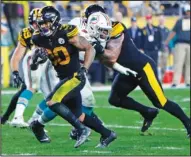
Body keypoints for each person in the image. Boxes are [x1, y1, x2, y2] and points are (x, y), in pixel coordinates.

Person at [89, 12, 190, 138]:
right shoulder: (96, 36)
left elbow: (112, 56)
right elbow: (105, 61)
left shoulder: (116, 28)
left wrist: (99, 49)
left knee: (161, 102)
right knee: (115, 99)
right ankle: (147, 112)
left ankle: (188, 123)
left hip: (142, 68)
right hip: (127, 71)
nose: (102, 32)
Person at [30, 6, 117, 148]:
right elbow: (35, 65)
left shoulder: (67, 32)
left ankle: (79, 130)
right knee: (79, 115)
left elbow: (89, 48)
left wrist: (85, 69)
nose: (44, 26)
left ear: (55, 21)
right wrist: (36, 59)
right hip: (63, 78)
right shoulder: (38, 38)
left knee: (52, 101)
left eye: (46, 22)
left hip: (76, 77)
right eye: (41, 23)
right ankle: (107, 134)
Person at [1, 8, 59, 127]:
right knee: (31, 87)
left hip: (50, 64)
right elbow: (17, 55)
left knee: (53, 95)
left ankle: (33, 121)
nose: (37, 25)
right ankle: (16, 117)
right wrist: (15, 72)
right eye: (34, 23)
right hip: (34, 61)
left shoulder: (55, 30)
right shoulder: (27, 33)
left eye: (41, 22)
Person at [165, 4, 190, 87]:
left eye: (189, 12)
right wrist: (167, 41)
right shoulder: (179, 21)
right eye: (187, 12)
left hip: (189, 44)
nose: (188, 13)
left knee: (188, 64)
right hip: (180, 44)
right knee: (178, 63)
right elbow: (173, 32)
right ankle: (176, 81)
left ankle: (188, 81)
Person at [158, 14, 170, 82]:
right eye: (160, 20)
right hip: (159, 49)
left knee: (164, 65)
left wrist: (169, 49)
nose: (161, 21)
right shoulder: (156, 29)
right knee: (159, 64)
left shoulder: (167, 30)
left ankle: (161, 79)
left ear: (164, 20)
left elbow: (169, 41)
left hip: (165, 50)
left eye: (162, 19)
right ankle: (158, 79)